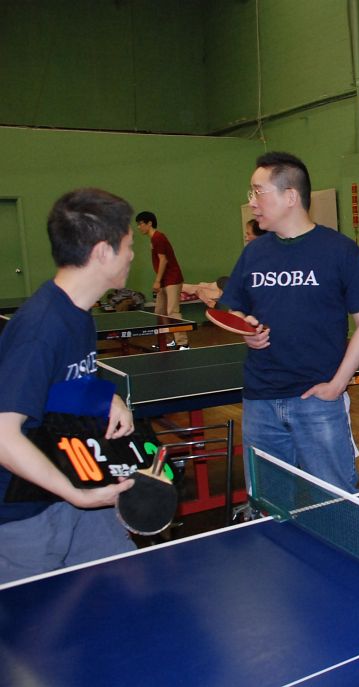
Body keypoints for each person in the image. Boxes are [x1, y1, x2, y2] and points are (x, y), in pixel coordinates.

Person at [219, 152, 359, 492]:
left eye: (258, 191)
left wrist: (337, 385)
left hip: (318, 400)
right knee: (268, 501)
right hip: (260, 399)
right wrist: (245, 329)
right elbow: (234, 310)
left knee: (336, 502)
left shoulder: (339, 251)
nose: (252, 202)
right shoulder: (254, 253)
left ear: (290, 196)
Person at [0, 188, 137, 583]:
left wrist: (106, 396)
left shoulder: (77, 312)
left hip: (69, 485)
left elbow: (58, 387)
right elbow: (4, 437)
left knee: (125, 581)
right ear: (103, 252)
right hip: (24, 511)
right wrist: (74, 493)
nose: (132, 255)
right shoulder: (41, 329)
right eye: (128, 245)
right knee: (35, 617)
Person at [135, 211, 189, 349]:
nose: (139, 227)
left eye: (140, 224)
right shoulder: (154, 239)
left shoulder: (158, 237)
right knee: (160, 312)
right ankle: (168, 340)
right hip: (164, 280)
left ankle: (183, 343)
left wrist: (157, 281)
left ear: (149, 223)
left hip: (172, 279)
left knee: (172, 311)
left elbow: (163, 260)